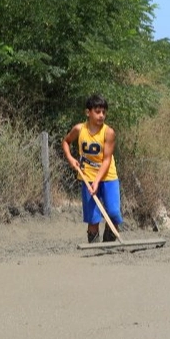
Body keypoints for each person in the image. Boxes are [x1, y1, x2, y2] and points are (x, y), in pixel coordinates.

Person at [62, 94, 122, 243]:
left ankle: (109, 242)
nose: (101, 115)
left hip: (108, 177)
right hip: (87, 176)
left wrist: (97, 181)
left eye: (104, 112)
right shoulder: (79, 129)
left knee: (114, 213)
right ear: (88, 112)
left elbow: (107, 160)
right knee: (93, 218)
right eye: (97, 111)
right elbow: (66, 142)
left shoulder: (108, 133)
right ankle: (94, 246)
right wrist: (70, 158)